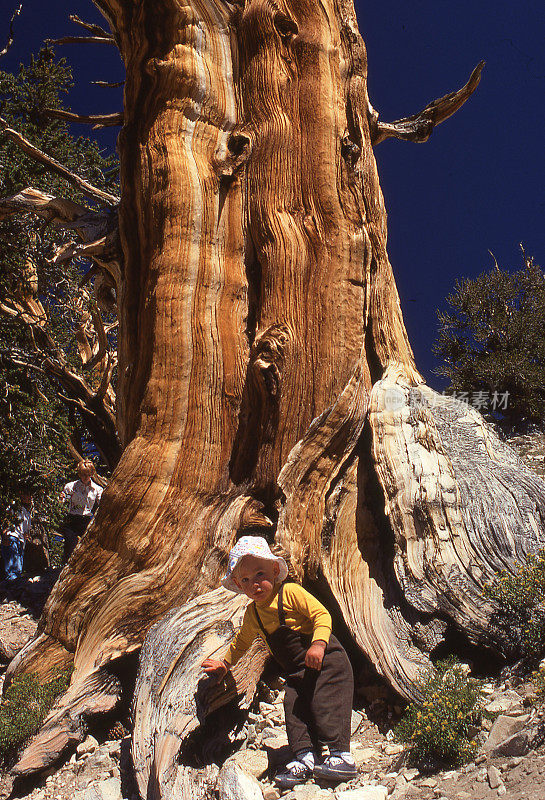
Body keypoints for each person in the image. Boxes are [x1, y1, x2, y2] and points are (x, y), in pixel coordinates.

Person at [201, 536, 356, 789]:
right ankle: (305, 757)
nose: (255, 585)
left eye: (260, 574)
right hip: (297, 671)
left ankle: (341, 755)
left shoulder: (290, 593)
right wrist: (225, 664)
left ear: (274, 571)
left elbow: (321, 615)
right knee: (294, 706)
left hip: (327, 661)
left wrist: (318, 644)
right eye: (246, 581)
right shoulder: (253, 615)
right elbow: (241, 642)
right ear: (240, 585)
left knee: (328, 702)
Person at [60, 459, 103, 563]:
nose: (85, 477)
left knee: (90, 546)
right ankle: (66, 568)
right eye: (83, 474)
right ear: (79, 474)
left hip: (86, 520)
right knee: (70, 545)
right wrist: (62, 498)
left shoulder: (97, 489)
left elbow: (102, 503)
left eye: (88, 474)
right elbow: (62, 501)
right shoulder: (71, 486)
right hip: (72, 519)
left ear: (92, 474)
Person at [1, 481, 34, 582]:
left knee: (18, 569)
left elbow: (26, 532)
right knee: (12, 570)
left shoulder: (27, 513)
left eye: (28, 495)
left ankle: (14, 592)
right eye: (24, 494)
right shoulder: (14, 506)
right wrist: (4, 536)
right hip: (11, 538)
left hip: (20, 541)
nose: (27, 497)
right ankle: (10, 592)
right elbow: (5, 521)